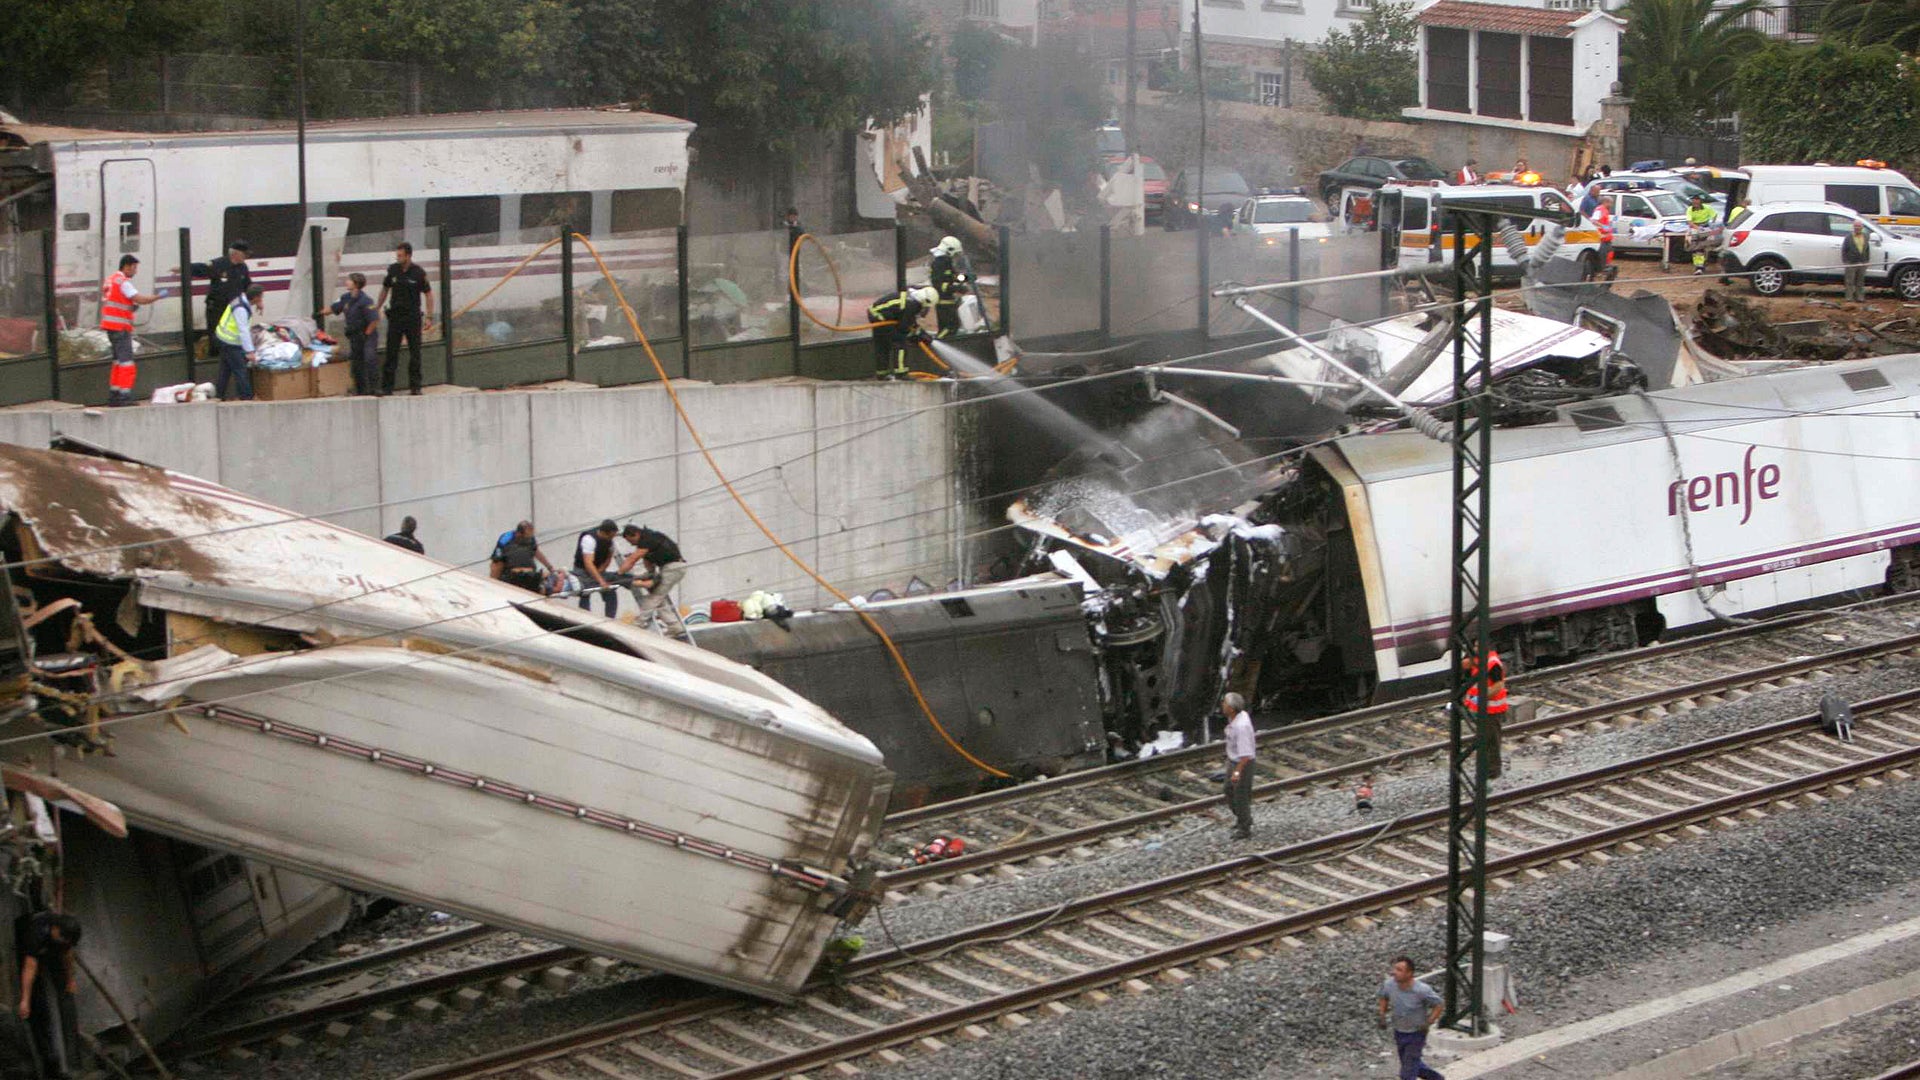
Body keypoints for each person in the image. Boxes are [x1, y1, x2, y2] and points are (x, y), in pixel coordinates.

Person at [17, 911, 82, 1079]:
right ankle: (48, 1064)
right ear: (55, 930)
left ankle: (72, 1061)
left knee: (66, 996)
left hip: (50, 951)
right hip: (32, 950)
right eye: (63, 939)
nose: (65, 943)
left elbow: (68, 956)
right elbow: (30, 967)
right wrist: (25, 999)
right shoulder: (36, 933)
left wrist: (70, 980)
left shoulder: (65, 937)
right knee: (39, 1005)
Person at [99, 254, 163, 407]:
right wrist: (157, 297)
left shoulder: (111, 279)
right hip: (121, 328)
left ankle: (114, 395)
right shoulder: (124, 282)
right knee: (127, 363)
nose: (135, 271)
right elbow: (140, 299)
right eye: (134, 268)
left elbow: (115, 301)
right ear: (126, 266)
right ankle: (124, 396)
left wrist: (129, 307)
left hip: (110, 327)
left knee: (117, 362)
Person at [376, 241, 433, 396]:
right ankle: (387, 387)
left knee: (415, 352)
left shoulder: (418, 273)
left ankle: (415, 386)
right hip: (395, 316)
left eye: (400, 255)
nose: (398, 258)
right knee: (391, 352)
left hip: (412, 317)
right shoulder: (393, 270)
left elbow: (428, 294)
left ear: (408, 256)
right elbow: (385, 289)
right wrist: (377, 307)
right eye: (397, 255)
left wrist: (429, 316)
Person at [1378, 956, 1446, 1080]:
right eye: (1395, 969)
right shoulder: (1389, 985)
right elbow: (1383, 997)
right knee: (1410, 1063)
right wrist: (1382, 1014)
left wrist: (1429, 1022)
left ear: (1409, 973)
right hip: (1399, 1031)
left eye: (1399, 970)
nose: (1394, 973)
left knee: (1407, 1073)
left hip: (1416, 1034)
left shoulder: (1421, 990)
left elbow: (1439, 1004)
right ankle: (1436, 1078)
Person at [618, 523, 689, 638]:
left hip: (673, 568)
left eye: (630, 540)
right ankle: (674, 626)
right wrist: (650, 574)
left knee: (655, 597)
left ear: (635, 534)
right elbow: (648, 562)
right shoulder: (650, 538)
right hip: (671, 567)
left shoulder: (646, 539)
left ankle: (638, 623)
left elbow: (633, 559)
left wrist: (619, 574)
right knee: (660, 598)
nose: (630, 544)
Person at [185, 241, 252, 355]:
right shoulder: (219, 264)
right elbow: (201, 268)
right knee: (215, 331)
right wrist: (184, 268)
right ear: (236, 254)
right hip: (216, 305)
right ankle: (214, 357)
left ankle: (229, 354)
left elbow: (248, 285)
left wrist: (257, 300)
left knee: (232, 331)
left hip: (233, 307)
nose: (246, 257)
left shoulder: (243, 267)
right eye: (245, 254)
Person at [866, 286, 937, 380]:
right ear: (925, 300)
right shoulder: (912, 305)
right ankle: (901, 373)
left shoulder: (910, 298)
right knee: (900, 344)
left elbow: (907, 321)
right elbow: (904, 327)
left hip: (877, 316)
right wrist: (917, 336)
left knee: (883, 346)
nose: (925, 309)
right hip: (882, 319)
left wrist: (919, 333)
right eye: (927, 307)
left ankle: (882, 374)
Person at [329, 272, 380, 395]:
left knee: (369, 358)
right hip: (355, 336)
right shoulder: (346, 298)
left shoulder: (365, 300)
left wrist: (367, 334)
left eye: (349, 280)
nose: (346, 282)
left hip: (367, 336)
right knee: (356, 363)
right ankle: (361, 390)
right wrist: (319, 313)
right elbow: (334, 308)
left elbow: (374, 320)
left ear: (356, 284)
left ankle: (374, 388)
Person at [212, 283, 263, 401]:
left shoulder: (240, 299)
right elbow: (243, 330)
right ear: (255, 297)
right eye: (260, 297)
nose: (261, 299)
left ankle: (219, 395)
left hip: (223, 338)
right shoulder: (241, 309)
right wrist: (250, 351)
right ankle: (247, 397)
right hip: (231, 342)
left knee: (225, 370)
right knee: (240, 370)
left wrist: (259, 304)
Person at [1221, 692, 1255, 839]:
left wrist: (1237, 772)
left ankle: (1244, 827)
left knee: (1240, 795)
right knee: (1228, 790)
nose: (1223, 705)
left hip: (1242, 763)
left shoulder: (1241, 727)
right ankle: (1243, 818)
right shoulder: (1236, 717)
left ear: (1232, 709)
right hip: (1234, 760)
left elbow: (1246, 754)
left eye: (1225, 703)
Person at [574, 518, 622, 616]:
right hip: (582, 570)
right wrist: (600, 580)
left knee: (610, 592)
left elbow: (609, 557)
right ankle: (585, 618)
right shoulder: (589, 539)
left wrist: (601, 570)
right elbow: (588, 563)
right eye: (610, 536)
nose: (611, 539)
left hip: (598, 568)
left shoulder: (610, 540)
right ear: (604, 533)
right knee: (585, 593)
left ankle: (610, 619)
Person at [491, 520, 555, 593]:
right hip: (511, 576)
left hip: (529, 575)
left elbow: (536, 552)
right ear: (519, 533)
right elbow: (497, 562)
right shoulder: (506, 539)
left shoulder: (531, 539)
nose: (529, 539)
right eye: (527, 537)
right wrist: (493, 583)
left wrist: (550, 567)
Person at [927, 236, 970, 338]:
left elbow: (953, 276)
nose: (955, 256)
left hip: (948, 300)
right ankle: (939, 343)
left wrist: (966, 278)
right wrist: (957, 289)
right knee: (949, 327)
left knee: (953, 326)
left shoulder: (946, 262)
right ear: (949, 250)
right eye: (955, 253)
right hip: (943, 301)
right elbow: (939, 285)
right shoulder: (939, 263)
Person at [1685, 195, 1717, 275]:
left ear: (1700, 202)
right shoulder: (1690, 209)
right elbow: (1690, 222)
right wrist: (1698, 228)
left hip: (1705, 227)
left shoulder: (1707, 207)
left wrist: (1712, 223)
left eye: (1697, 201)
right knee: (1696, 248)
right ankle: (1699, 266)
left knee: (1703, 247)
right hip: (1695, 228)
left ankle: (1701, 265)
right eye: (1693, 201)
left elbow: (1714, 215)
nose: (1695, 203)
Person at [1843, 219, 1872, 303]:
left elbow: (1867, 249)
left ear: (1862, 227)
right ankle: (1849, 298)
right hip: (1851, 263)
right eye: (1856, 226)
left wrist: (1866, 261)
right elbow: (1844, 250)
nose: (1857, 228)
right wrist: (1846, 262)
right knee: (1850, 281)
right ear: (1853, 227)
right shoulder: (1848, 237)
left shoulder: (1865, 236)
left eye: (1859, 226)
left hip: (1862, 262)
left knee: (1860, 281)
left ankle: (1860, 297)